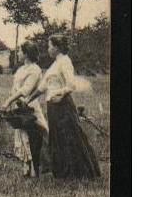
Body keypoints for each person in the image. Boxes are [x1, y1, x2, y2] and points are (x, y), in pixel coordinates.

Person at [26, 34, 101, 180]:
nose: (48, 49)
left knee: (69, 137)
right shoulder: (54, 64)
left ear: (57, 47)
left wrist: (61, 94)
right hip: (52, 106)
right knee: (57, 138)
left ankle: (79, 172)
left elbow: (71, 84)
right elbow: (42, 87)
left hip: (63, 106)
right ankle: (63, 173)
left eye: (49, 46)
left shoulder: (65, 61)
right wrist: (29, 99)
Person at [2, 42, 48, 177]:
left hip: (30, 109)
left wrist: (9, 101)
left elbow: (26, 90)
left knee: (33, 137)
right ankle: (26, 168)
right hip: (19, 108)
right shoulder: (21, 69)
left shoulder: (35, 70)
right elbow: (15, 88)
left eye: (20, 51)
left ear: (26, 53)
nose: (18, 53)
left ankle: (36, 170)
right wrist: (10, 102)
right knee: (21, 137)